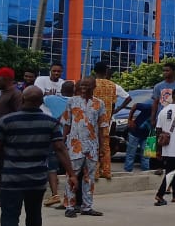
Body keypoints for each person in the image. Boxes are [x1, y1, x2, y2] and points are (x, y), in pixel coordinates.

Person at [0, 87, 77, 226]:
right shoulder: (50, 123)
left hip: (11, 178)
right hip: (36, 179)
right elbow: (60, 148)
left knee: (9, 216)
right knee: (34, 216)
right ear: (41, 102)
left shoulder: (7, 121)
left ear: (22, 99)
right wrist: (71, 174)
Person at [60, 77, 107, 217]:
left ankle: (87, 207)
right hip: (75, 145)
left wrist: (102, 147)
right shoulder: (72, 101)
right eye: (82, 85)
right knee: (72, 175)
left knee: (89, 178)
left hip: (92, 146)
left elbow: (102, 126)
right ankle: (69, 206)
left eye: (87, 85)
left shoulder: (100, 104)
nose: (84, 88)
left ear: (94, 86)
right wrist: (62, 141)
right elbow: (66, 123)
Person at [42, 81, 75, 207]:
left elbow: (40, 99)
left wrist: (49, 95)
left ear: (61, 89)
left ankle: (55, 194)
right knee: (71, 167)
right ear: (74, 91)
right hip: (72, 138)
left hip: (55, 137)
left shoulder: (51, 99)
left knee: (52, 167)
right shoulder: (76, 102)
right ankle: (70, 196)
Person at [91, 62, 126, 180]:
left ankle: (94, 172)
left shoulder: (90, 84)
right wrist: (113, 112)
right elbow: (114, 102)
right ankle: (106, 171)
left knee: (93, 146)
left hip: (91, 120)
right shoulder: (112, 85)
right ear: (106, 72)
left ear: (94, 71)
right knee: (105, 146)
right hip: (106, 121)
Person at [122, 96, 155, 173]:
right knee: (131, 154)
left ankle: (146, 173)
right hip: (135, 132)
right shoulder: (149, 107)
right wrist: (130, 120)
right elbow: (135, 105)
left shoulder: (163, 111)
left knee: (147, 156)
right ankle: (127, 172)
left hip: (151, 135)